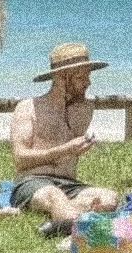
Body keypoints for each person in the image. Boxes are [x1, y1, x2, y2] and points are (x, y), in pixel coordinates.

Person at [9, 42, 118, 236]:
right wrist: (67, 149)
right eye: (81, 77)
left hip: (69, 183)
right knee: (55, 195)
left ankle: (59, 224)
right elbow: (20, 159)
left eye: (88, 76)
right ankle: (76, 234)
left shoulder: (84, 110)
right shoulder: (28, 108)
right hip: (32, 181)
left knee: (108, 198)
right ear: (62, 77)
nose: (88, 83)